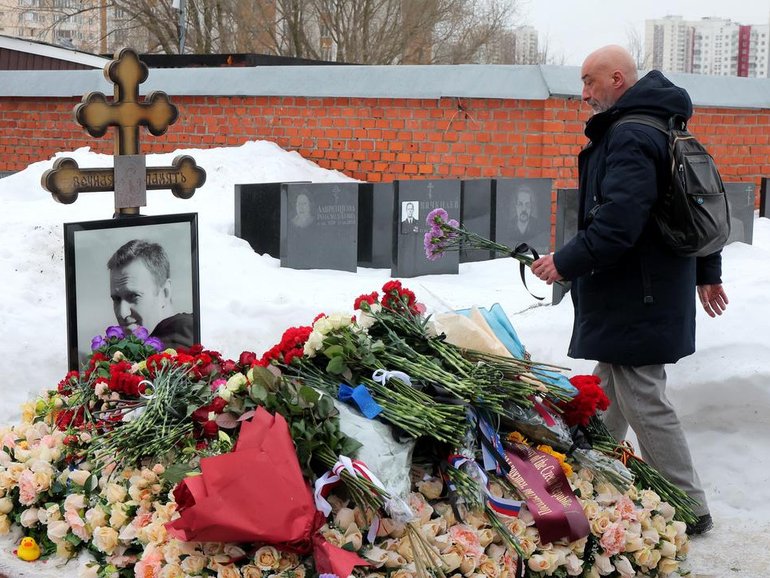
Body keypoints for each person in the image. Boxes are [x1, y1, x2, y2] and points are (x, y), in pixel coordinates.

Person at [531, 45, 728, 536]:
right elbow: (694, 203)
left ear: (616, 79)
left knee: (642, 395)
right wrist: (708, 269)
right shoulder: (664, 124)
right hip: (645, 288)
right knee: (607, 392)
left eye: (589, 81)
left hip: (638, 292)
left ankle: (689, 504)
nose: (583, 93)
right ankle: (591, 476)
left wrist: (564, 262)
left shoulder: (631, 135)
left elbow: (618, 224)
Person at [108, 239, 194, 351]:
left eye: (133, 296)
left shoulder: (179, 348)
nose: (122, 313)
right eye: (116, 299)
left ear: (165, 293)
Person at [510, 186, 549, 253]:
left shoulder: (540, 228)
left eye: (527, 204)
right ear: (516, 206)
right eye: (520, 204)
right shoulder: (507, 226)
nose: (524, 209)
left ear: (531, 207)